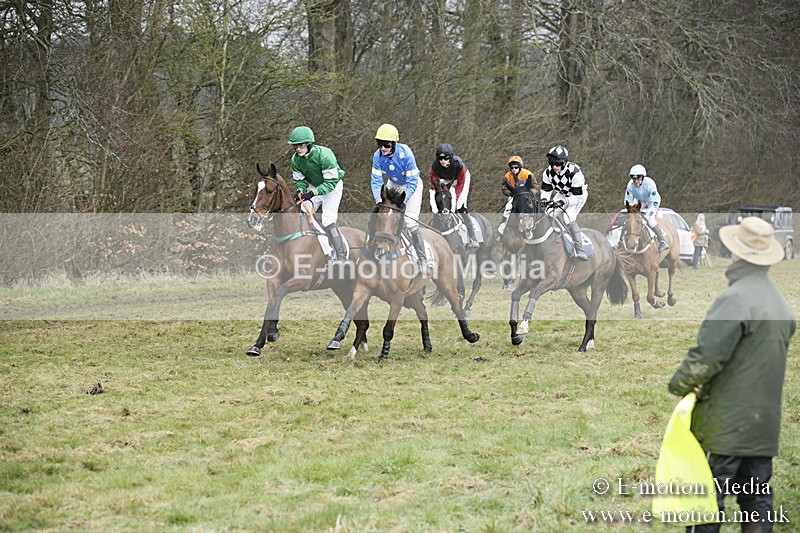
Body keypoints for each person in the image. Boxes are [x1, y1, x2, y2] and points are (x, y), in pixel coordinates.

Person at [668, 216, 795, 533]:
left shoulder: (734, 299)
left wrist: (679, 384)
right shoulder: (781, 304)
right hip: (763, 426)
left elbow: (706, 357)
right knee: (756, 501)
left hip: (724, 426)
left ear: (738, 254)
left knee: (706, 501)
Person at [370, 123, 427, 272]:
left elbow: (412, 182)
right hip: (393, 184)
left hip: (410, 186)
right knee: (380, 213)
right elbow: (376, 181)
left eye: (386, 145)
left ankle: (422, 259)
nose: (383, 149)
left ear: (394, 144)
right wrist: (378, 200)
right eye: (380, 144)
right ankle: (373, 247)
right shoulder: (377, 156)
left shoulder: (406, 153)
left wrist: (405, 199)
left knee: (408, 221)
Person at [288, 125, 347, 261]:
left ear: (309, 144)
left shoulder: (325, 155)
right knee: (302, 211)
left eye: (301, 146)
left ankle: (341, 256)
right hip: (315, 186)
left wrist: (313, 192)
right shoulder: (295, 160)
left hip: (333, 187)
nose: (298, 149)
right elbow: (300, 180)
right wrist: (301, 190)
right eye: (295, 146)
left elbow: (330, 183)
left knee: (327, 219)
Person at [540, 145, 589, 261]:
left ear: (565, 162)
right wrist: (544, 200)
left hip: (578, 196)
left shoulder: (575, 173)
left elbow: (575, 197)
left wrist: (563, 202)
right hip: (563, 193)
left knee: (568, 217)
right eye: (552, 163)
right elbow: (546, 190)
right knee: (548, 213)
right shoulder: (547, 173)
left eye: (558, 163)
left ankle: (579, 248)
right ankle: (555, 240)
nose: (555, 166)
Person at [429, 143, 477, 248]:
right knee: (440, 203)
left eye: (446, 158)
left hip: (460, 180)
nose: (443, 161)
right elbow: (434, 186)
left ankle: (473, 238)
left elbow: (460, 186)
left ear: (450, 158)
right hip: (445, 180)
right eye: (440, 158)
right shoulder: (434, 167)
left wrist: (453, 204)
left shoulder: (459, 165)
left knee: (460, 205)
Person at [624, 164, 670, 253]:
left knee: (650, 220)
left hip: (652, 201)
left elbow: (654, 202)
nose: (636, 181)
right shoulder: (630, 185)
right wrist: (631, 211)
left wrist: (647, 215)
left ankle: (662, 241)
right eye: (634, 179)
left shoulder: (650, 184)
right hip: (640, 200)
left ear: (642, 178)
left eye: (638, 179)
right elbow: (628, 201)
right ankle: (619, 242)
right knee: (630, 219)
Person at [497, 155, 536, 240]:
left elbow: (535, 187)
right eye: (512, 167)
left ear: (520, 166)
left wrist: (529, 193)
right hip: (514, 196)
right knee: (507, 210)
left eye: (515, 167)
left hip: (527, 196)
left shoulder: (528, 174)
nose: (513, 169)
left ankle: (533, 228)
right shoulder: (507, 176)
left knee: (534, 208)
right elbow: (504, 189)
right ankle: (502, 231)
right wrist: (510, 193)